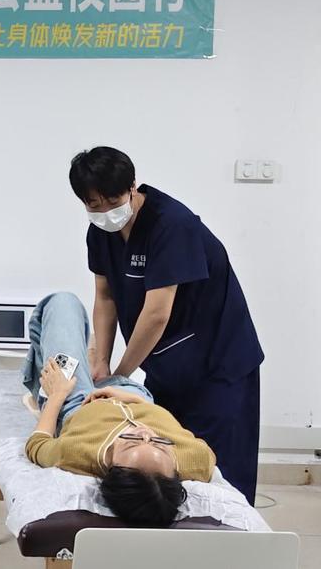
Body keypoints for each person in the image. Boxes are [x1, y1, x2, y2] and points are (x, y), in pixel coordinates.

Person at [67, 146, 264, 505]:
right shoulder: (101, 232)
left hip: (219, 364)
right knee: (167, 463)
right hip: (166, 363)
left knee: (217, 469)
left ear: (132, 188)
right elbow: (105, 297)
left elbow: (157, 313)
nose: (106, 212)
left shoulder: (172, 225)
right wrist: (100, 362)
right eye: (95, 205)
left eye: (113, 201)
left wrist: (119, 377)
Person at [23, 292, 215, 527]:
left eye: (132, 443)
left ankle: (83, 370)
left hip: (77, 400)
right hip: (134, 395)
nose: (144, 432)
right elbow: (206, 457)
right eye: (159, 444)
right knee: (98, 370)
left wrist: (56, 396)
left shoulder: (75, 453)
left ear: (110, 469)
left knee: (62, 303)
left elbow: (37, 445)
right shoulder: (197, 460)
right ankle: (96, 365)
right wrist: (135, 401)